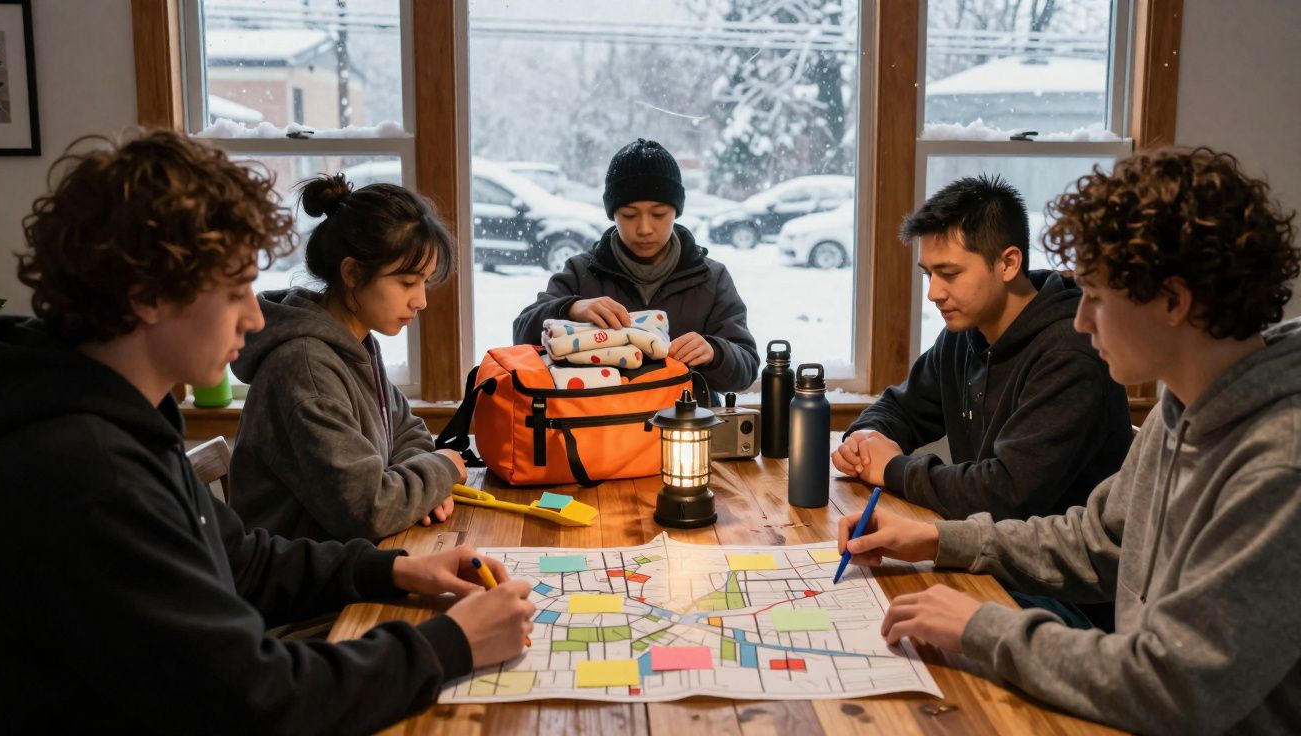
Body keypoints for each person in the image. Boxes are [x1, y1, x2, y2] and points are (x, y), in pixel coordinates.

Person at [0, 130, 534, 733]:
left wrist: (393, 570)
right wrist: (450, 644)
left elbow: (243, 561)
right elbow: (254, 698)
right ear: (146, 296)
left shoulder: (122, 415)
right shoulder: (86, 470)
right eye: (233, 291)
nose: (254, 317)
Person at [837, 147, 1301, 735]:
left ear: (1174, 302)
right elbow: (1096, 541)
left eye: (1098, 298)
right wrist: (934, 538)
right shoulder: (1179, 410)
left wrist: (982, 627)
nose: (1081, 321)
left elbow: (1178, 685)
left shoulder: (1278, 463)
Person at [832, 175, 1132, 522]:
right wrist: (866, 438)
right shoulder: (965, 332)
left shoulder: (1069, 355)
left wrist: (893, 469)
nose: (933, 293)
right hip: (984, 551)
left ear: (1008, 263)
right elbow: (902, 408)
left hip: (1042, 570)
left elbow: (1005, 494)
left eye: (949, 273)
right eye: (929, 274)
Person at [230, 174, 464, 542]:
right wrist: (441, 471)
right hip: (307, 591)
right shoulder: (305, 369)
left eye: (424, 283)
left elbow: (405, 431)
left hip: (348, 566)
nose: (421, 301)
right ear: (353, 272)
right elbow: (368, 509)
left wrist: (422, 488)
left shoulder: (353, 343)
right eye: (407, 283)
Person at [513, 138, 758, 395]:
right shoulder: (581, 273)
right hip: (600, 429)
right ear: (612, 213)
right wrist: (570, 308)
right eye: (629, 215)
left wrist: (715, 353)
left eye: (659, 214)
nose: (644, 228)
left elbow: (746, 369)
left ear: (677, 211)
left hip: (689, 429)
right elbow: (521, 335)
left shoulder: (711, 278)